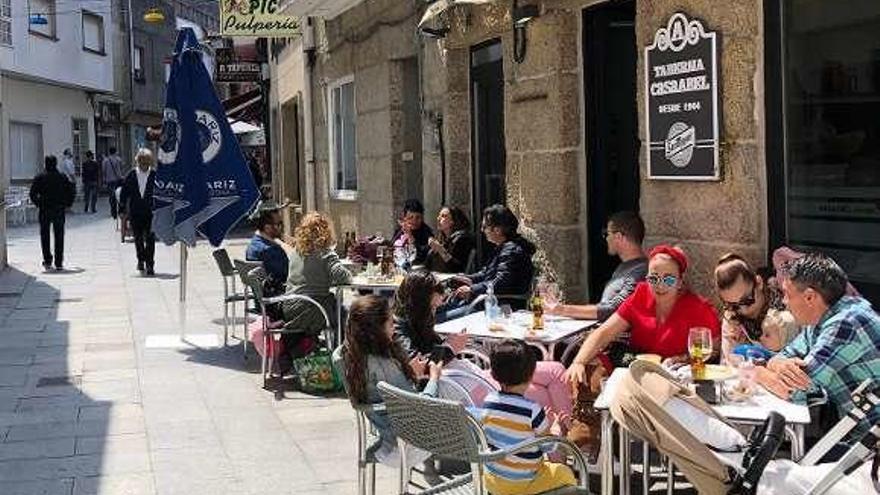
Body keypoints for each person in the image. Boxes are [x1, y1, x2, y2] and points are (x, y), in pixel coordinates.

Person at [393, 271, 572, 416]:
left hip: (470, 378)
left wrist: (450, 347)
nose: (434, 312)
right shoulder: (399, 328)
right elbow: (418, 367)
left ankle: (566, 435)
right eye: (432, 307)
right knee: (545, 393)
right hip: (463, 390)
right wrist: (450, 348)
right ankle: (565, 438)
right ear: (419, 304)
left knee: (556, 370)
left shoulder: (417, 321)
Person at [756, 253, 880, 445]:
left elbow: (795, 392)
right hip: (859, 440)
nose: (784, 302)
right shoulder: (822, 318)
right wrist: (777, 364)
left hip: (869, 449)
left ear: (809, 297)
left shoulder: (846, 324)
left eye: (787, 294)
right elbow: (784, 355)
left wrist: (756, 372)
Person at [566, 245, 721, 389]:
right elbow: (605, 332)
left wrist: (683, 358)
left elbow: (713, 349)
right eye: (653, 278)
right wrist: (578, 362)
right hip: (636, 371)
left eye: (668, 280)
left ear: (680, 282)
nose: (660, 285)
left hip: (675, 379)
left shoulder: (699, 309)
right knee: (591, 369)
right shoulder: (640, 295)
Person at [341, 295, 443, 461]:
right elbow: (421, 407)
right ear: (377, 330)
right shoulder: (384, 364)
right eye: (390, 323)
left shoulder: (354, 357)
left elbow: (389, 389)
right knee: (460, 398)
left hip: (387, 432)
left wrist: (410, 374)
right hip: (408, 444)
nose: (394, 327)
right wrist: (434, 378)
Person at [479, 339, 577, 495]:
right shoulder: (532, 410)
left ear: (493, 374)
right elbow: (549, 446)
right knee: (564, 473)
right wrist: (555, 428)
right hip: (525, 483)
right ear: (532, 375)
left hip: (493, 481)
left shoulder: (488, 401)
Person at [549, 211, 647, 322]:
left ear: (618, 237)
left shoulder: (640, 271)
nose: (606, 239)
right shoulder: (626, 267)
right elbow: (606, 306)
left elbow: (614, 310)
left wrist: (560, 309)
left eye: (607, 234)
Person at [447, 205, 535, 313]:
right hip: (487, 302)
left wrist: (472, 289)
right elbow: (486, 273)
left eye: (485, 227)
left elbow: (500, 282)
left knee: (441, 318)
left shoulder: (511, 251)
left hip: (500, 307)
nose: (482, 230)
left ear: (497, 230)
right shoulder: (502, 248)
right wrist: (468, 278)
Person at [714, 253, 798, 361]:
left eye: (747, 300)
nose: (743, 310)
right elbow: (728, 363)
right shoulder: (732, 317)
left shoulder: (787, 307)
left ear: (759, 283)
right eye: (734, 306)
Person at [284, 212, 353, 334]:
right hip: (311, 308)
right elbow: (343, 277)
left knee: (335, 305)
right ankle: (340, 344)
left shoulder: (296, 251)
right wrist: (350, 275)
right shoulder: (325, 253)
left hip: (289, 307)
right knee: (343, 312)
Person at [29, 156, 73, 271]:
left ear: (46, 163)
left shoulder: (40, 177)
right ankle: (59, 262)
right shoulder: (62, 177)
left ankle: (47, 260)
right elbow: (71, 191)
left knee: (45, 235)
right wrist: (67, 204)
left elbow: (32, 194)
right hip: (59, 209)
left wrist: (39, 203)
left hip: (45, 209)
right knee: (59, 235)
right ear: (56, 163)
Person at [119, 149, 157, 276]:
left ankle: (150, 264)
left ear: (149, 162)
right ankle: (141, 260)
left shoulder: (154, 175)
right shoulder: (131, 175)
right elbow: (124, 193)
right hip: (135, 212)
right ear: (138, 161)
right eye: (142, 162)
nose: (144, 165)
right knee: (138, 238)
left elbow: (160, 193)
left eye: (146, 162)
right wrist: (121, 209)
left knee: (150, 238)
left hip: (151, 212)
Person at [245, 202, 290, 296]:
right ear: (267, 227)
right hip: (278, 298)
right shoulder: (270, 250)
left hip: (263, 297)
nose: (282, 227)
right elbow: (289, 274)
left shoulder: (254, 244)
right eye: (279, 224)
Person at [425, 206, 475, 273]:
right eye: (439, 216)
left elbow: (456, 268)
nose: (438, 218)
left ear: (453, 221)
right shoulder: (443, 240)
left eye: (444, 216)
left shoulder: (461, 239)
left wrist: (440, 249)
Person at [391, 199, 434, 265]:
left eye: (417, 217)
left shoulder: (426, 233)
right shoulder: (400, 231)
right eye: (410, 217)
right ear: (405, 218)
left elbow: (422, 255)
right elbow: (392, 247)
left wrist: (410, 236)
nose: (414, 221)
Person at [102, 147, 125, 218]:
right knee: (119, 195)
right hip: (118, 180)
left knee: (111, 196)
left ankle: (113, 210)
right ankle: (119, 209)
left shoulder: (105, 161)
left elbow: (103, 171)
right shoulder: (118, 160)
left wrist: (104, 179)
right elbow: (122, 169)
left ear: (109, 152)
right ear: (115, 152)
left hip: (109, 180)